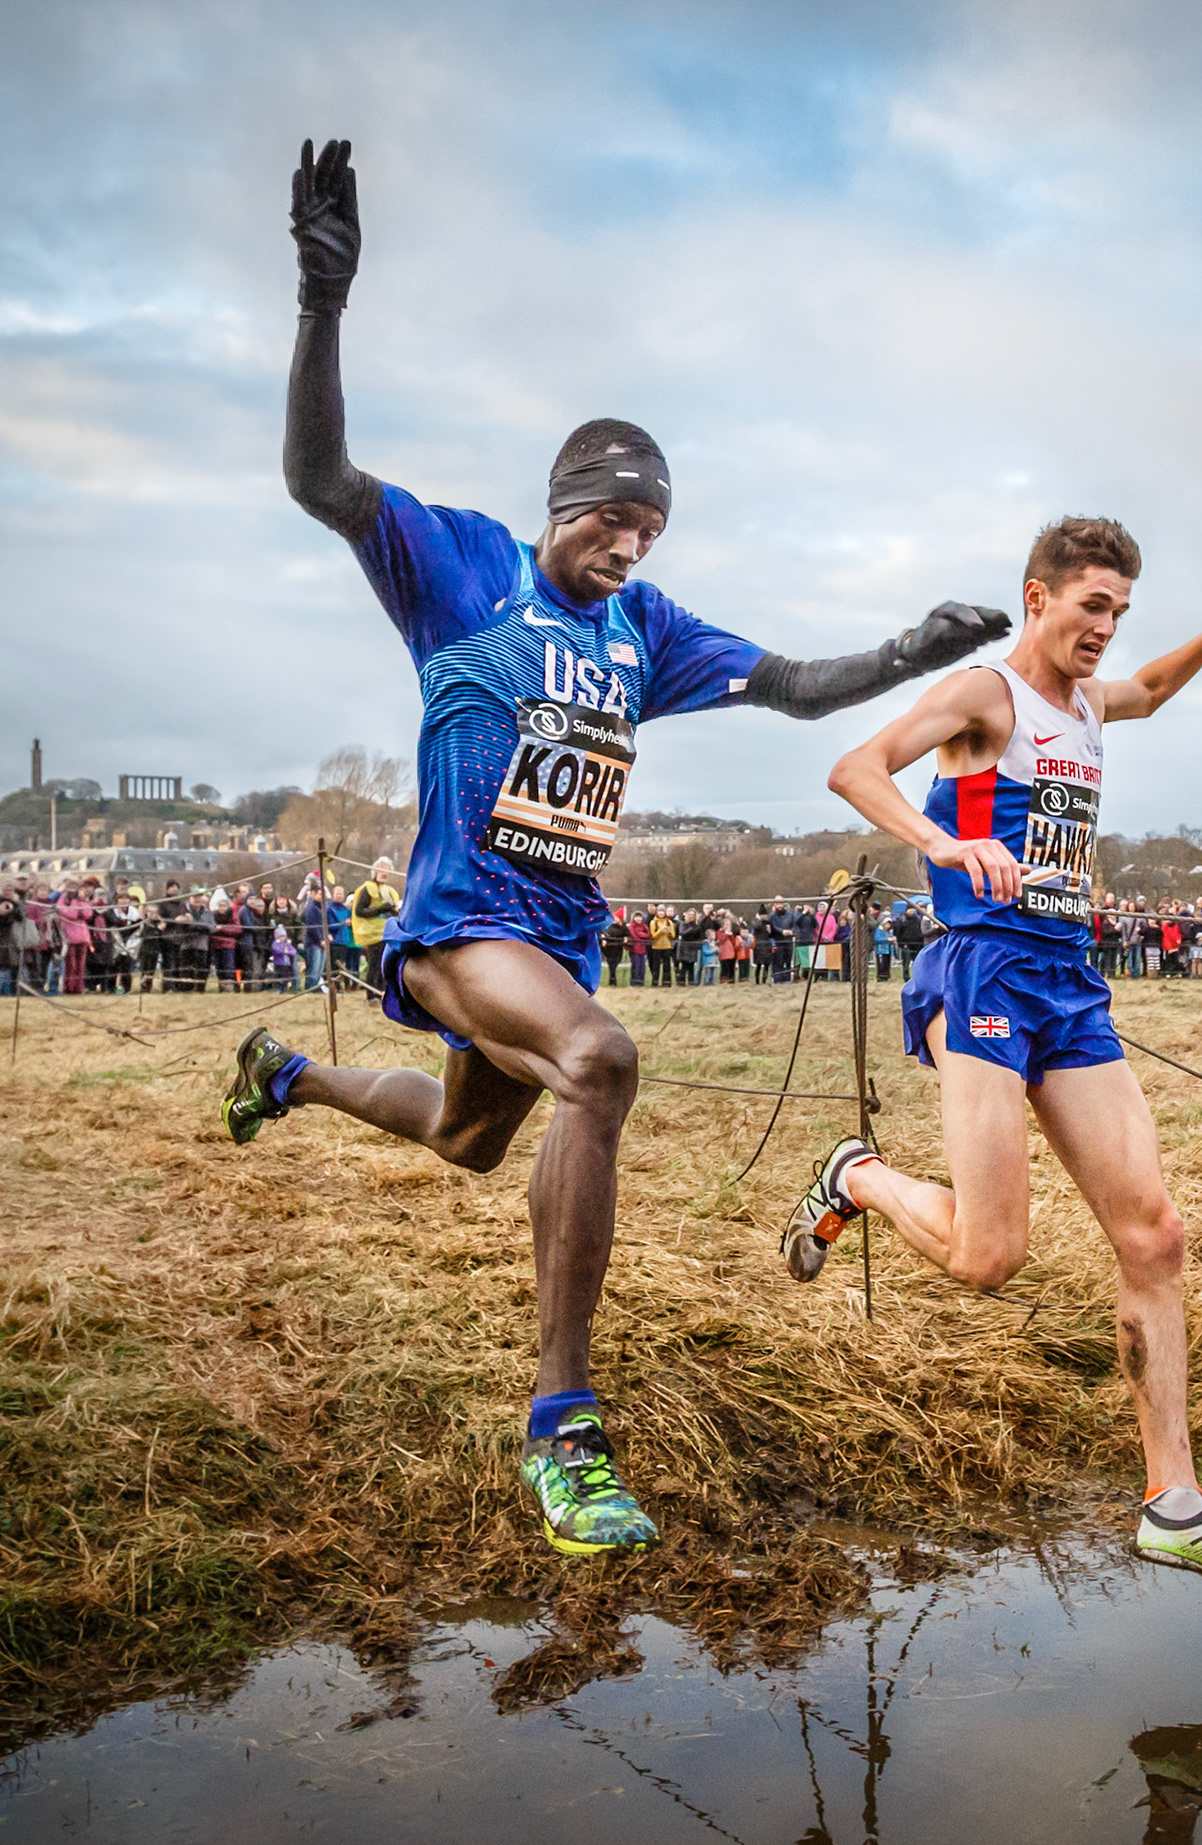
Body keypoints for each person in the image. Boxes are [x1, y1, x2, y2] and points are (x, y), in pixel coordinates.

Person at [223, 136, 1010, 1560]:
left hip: (557, 940)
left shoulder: (643, 630)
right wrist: (322, 301)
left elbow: (793, 685)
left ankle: (286, 1074)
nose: (631, 546)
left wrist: (910, 649)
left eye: (650, 528)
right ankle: (563, 1430)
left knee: (465, 1140)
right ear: (560, 507)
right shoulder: (462, 568)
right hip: (464, 922)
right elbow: (319, 477)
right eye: (612, 519)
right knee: (601, 1060)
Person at [784, 517, 1202, 1594]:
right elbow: (854, 766)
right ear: (1036, 598)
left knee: (1154, 1235)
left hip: (1067, 980)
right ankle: (859, 1176)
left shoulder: (1090, 703)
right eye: (1090, 606)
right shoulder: (988, 698)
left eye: (1118, 610)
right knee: (990, 1257)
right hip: (979, 971)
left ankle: (1176, 1507)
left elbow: (1151, 690)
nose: (1105, 629)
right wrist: (944, 843)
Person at [349, 857, 402, 966]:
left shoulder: (390, 891)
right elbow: (359, 911)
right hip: (374, 935)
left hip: (388, 934)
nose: (384, 873)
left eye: (387, 870)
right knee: (375, 967)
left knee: (386, 966)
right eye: (382, 869)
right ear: (374, 871)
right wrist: (379, 910)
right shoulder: (368, 888)